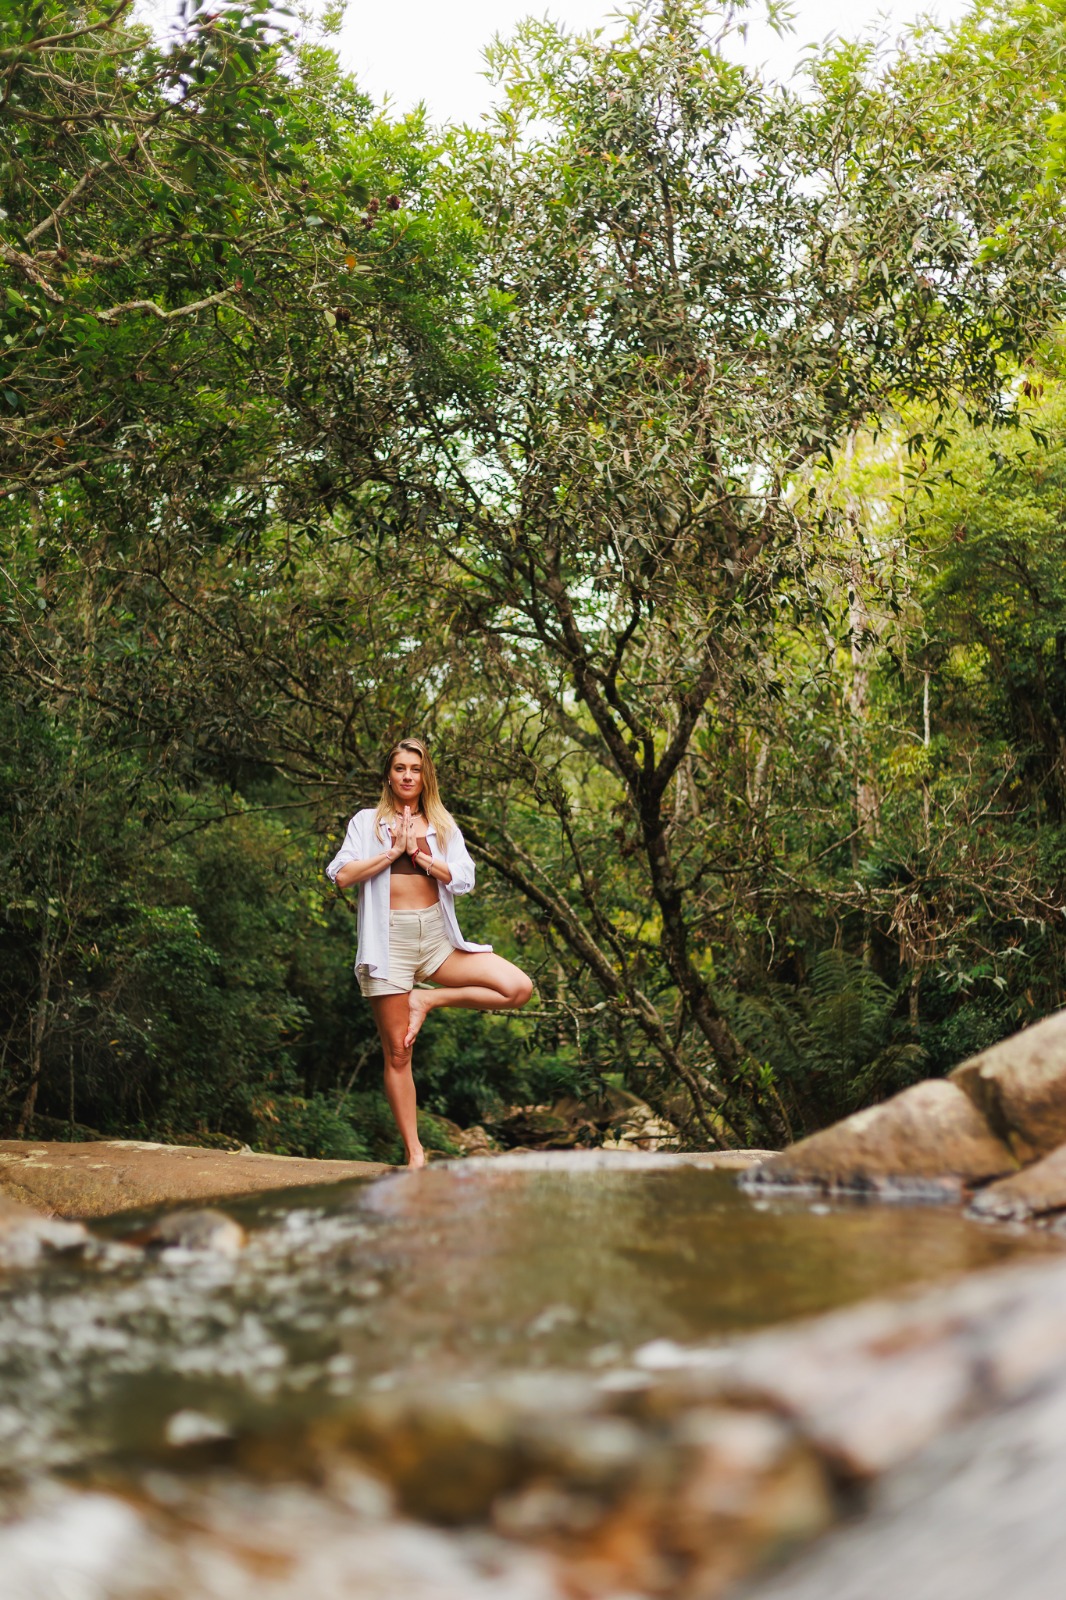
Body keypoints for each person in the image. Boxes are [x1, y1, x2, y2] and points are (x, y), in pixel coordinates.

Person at [326, 737, 533, 1168]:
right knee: (399, 1052)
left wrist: (419, 855)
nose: (407, 776)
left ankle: (428, 999)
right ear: (389, 775)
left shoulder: (442, 824)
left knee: (518, 988)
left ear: (425, 777)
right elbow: (342, 875)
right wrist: (392, 853)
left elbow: (464, 879)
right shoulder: (366, 823)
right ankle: (415, 1152)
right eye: (400, 768)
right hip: (389, 944)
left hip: (438, 940)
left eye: (415, 769)